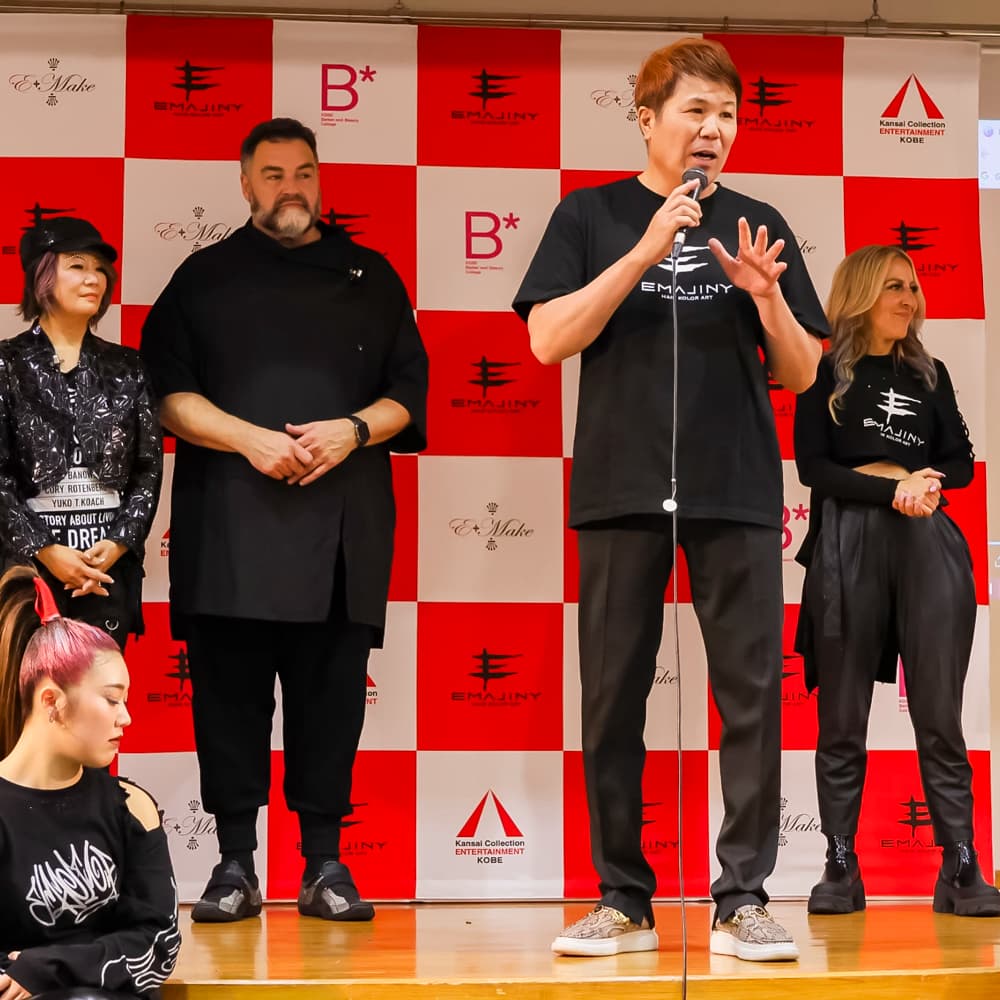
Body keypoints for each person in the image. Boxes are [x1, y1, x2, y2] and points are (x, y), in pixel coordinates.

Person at [513, 38, 827, 961]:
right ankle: (623, 899)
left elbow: (804, 371)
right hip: (620, 487)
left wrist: (768, 301)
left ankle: (742, 900)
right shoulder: (590, 214)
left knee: (752, 696)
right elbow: (546, 340)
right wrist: (646, 248)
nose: (713, 129)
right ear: (647, 119)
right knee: (613, 698)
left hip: (736, 487)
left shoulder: (758, 221)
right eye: (696, 110)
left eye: (727, 114)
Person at [140, 117, 428, 924]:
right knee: (227, 704)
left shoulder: (372, 276)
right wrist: (250, 440)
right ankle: (234, 863)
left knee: (330, 705)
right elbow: (165, 394)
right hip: (229, 532)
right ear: (245, 184)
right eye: (273, 174)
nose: (291, 188)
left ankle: (325, 864)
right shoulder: (203, 278)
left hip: (342, 536)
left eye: (304, 172)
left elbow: (409, 393)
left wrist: (352, 431)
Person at [793, 244, 1000, 918]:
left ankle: (961, 865)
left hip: (925, 539)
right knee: (842, 716)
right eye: (893, 286)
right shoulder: (823, 370)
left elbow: (960, 462)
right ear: (859, 295)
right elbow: (813, 470)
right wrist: (890, 488)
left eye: (912, 286)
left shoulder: (929, 374)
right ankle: (839, 865)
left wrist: (925, 482)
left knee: (939, 714)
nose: (909, 298)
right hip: (846, 542)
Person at [0, 565, 180, 1000]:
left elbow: (159, 943)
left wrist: (48, 967)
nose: (126, 718)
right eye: (112, 699)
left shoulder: (131, 807)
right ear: (52, 701)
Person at [0, 219, 162, 649]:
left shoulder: (127, 367)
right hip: (27, 572)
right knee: (30, 689)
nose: (94, 279)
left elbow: (148, 469)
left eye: (100, 269)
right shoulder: (7, 365)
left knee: (101, 687)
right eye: (77, 266)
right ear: (42, 276)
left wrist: (119, 542)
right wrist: (46, 550)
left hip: (106, 574)